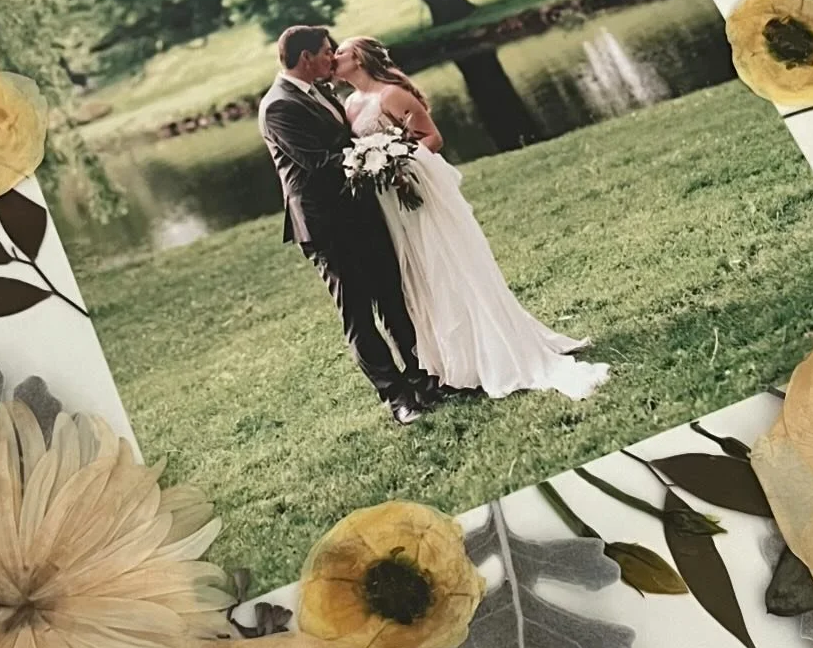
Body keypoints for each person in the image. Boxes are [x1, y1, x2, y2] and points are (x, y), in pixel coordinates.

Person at [334, 36, 609, 401]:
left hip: (412, 189)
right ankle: (450, 361)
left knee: (444, 266)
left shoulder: (392, 95)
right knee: (419, 274)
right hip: (388, 202)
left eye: (341, 52)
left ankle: (486, 353)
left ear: (361, 59)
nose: (334, 56)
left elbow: (432, 137)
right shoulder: (350, 103)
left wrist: (395, 157)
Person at [258, 25, 442, 424]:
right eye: (327, 52)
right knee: (359, 313)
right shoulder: (278, 107)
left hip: (363, 212)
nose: (332, 58)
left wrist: (383, 154)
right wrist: (377, 153)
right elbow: (320, 165)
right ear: (306, 58)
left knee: (394, 299)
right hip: (326, 226)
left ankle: (423, 378)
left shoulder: (322, 91)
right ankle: (397, 398)